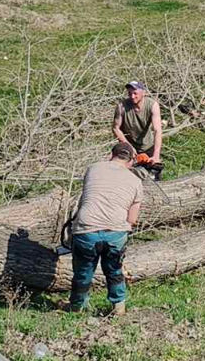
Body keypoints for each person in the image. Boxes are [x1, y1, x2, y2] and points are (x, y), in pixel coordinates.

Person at [68, 142, 143, 315]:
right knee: (114, 270)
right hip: (115, 233)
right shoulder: (136, 181)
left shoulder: (93, 168)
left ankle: (77, 306)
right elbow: (132, 219)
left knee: (83, 271)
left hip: (86, 230)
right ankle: (118, 307)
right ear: (131, 160)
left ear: (111, 154)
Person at [113, 80, 163, 180]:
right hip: (128, 146)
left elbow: (157, 130)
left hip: (147, 146)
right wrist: (128, 145)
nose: (132, 96)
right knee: (125, 176)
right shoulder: (121, 107)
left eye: (135, 93)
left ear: (143, 93)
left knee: (153, 176)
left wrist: (156, 154)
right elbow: (116, 128)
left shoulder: (152, 105)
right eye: (130, 93)